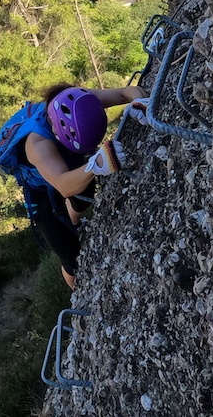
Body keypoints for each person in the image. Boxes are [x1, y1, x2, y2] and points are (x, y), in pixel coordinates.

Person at [20, 83, 148, 289]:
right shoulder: (37, 144)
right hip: (40, 187)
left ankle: (74, 217)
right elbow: (63, 185)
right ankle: (78, 295)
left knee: (83, 193)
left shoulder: (78, 101)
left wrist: (140, 102)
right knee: (70, 255)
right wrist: (94, 166)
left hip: (70, 155)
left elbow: (125, 91)